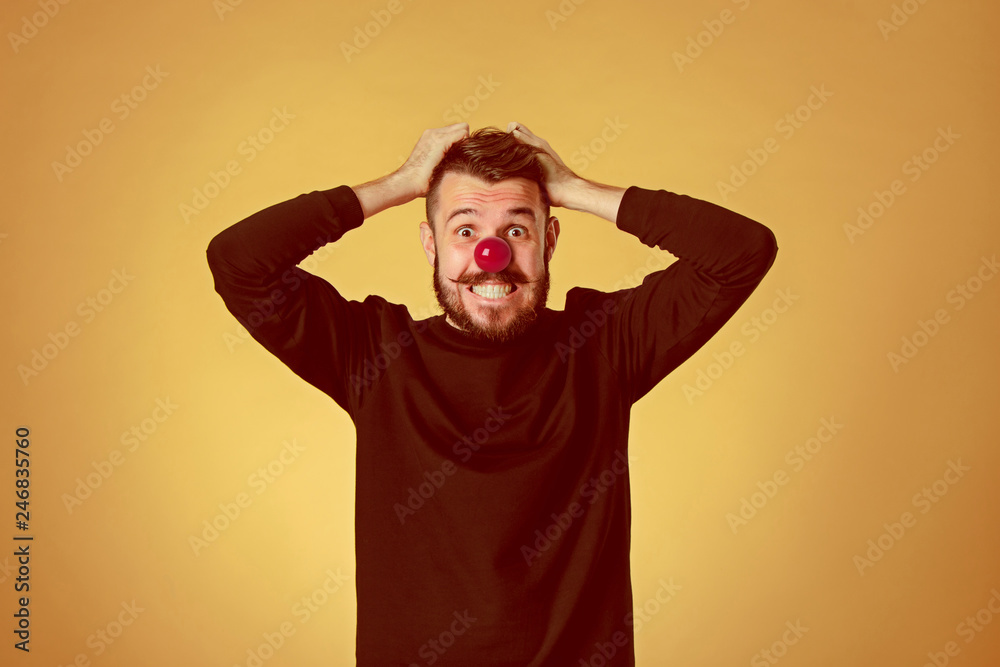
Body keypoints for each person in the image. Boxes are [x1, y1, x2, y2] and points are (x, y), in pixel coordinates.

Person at [207, 122, 778, 666]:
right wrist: (400, 184)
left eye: (516, 229)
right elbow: (239, 263)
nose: (492, 255)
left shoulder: (604, 346)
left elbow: (741, 252)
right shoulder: (374, 356)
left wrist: (576, 189)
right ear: (431, 245)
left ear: (548, 240)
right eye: (465, 229)